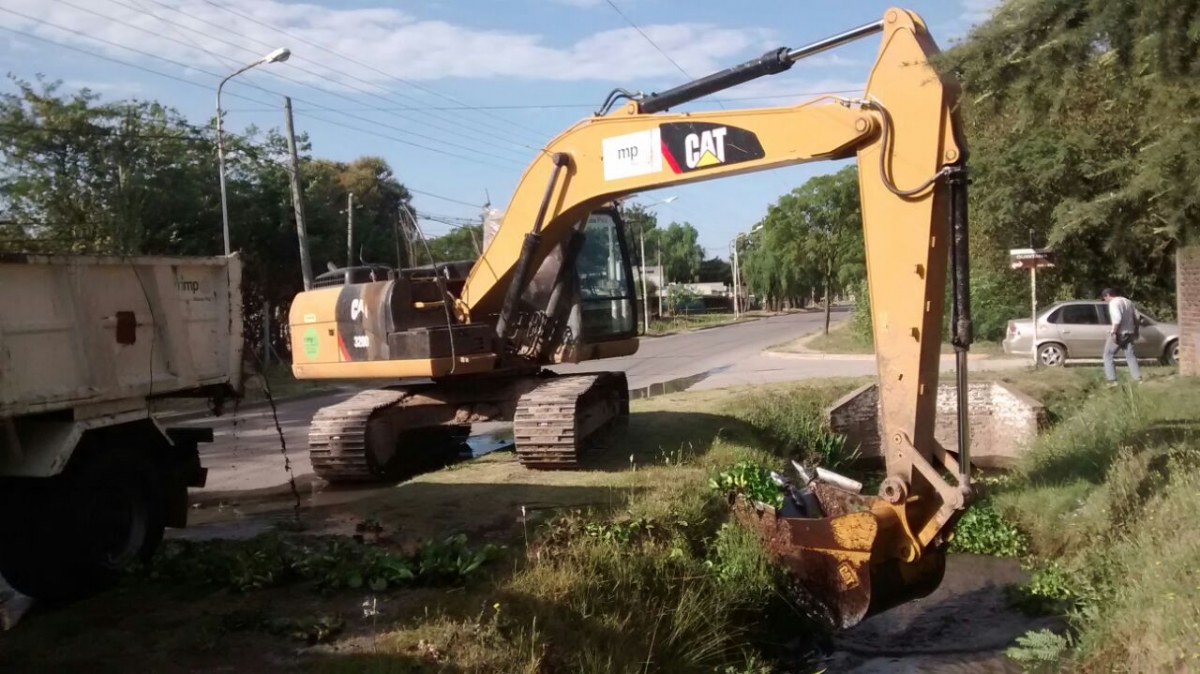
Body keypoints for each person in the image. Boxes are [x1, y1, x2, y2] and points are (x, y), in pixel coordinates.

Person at [1101, 287, 1141, 386]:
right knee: (1130, 356)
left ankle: (1112, 380)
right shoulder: (1128, 302)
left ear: (1108, 295)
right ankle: (1138, 379)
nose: (1106, 301)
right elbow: (1137, 317)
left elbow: (1117, 319)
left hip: (1120, 333)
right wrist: (1136, 330)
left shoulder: (1114, 303)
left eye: (1105, 298)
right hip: (1130, 332)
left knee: (1108, 354)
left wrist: (1114, 332)